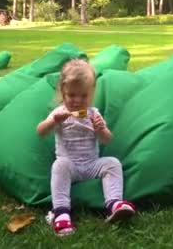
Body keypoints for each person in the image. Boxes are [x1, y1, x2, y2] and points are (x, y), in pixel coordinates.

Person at [36, 59, 135, 236]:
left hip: (91, 165)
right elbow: (40, 132)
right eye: (71, 95)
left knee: (112, 163)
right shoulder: (59, 113)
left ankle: (114, 204)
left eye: (83, 96)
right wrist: (53, 121)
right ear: (62, 93)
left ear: (91, 94)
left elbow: (107, 140)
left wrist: (101, 129)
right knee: (59, 166)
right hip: (70, 166)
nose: (77, 101)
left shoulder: (93, 114)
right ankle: (61, 213)